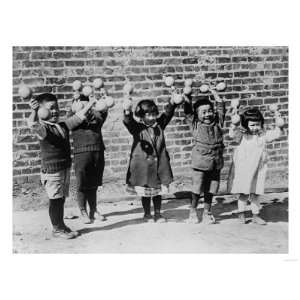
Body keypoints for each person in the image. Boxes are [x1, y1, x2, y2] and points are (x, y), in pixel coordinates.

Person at [27, 93, 96, 239]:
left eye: (56, 107)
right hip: (52, 171)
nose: (55, 111)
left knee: (61, 198)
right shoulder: (43, 129)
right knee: (55, 200)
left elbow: (77, 117)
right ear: (41, 111)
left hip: (63, 169)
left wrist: (90, 103)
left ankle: (61, 225)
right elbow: (32, 124)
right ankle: (57, 229)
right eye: (50, 108)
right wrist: (33, 111)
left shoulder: (61, 126)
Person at [123, 97, 179, 222]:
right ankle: (147, 213)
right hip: (144, 167)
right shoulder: (137, 128)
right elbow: (128, 122)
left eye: (154, 114)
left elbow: (167, 114)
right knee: (146, 192)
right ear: (141, 116)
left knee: (158, 192)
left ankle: (158, 214)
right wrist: (127, 112)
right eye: (148, 115)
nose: (152, 117)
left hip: (159, 165)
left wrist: (172, 102)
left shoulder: (159, 125)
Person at [228, 108, 284, 225]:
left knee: (255, 193)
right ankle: (241, 214)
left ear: (261, 124)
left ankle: (255, 215)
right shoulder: (243, 135)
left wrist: (278, 118)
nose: (255, 128)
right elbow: (232, 134)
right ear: (246, 125)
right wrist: (234, 123)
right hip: (244, 169)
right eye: (252, 125)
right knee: (243, 193)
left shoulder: (263, 135)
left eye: (257, 124)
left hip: (258, 170)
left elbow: (276, 134)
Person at [183, 88, 225, 224]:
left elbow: (220, 106)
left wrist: (214, 92)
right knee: (197, 188)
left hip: (216, 162)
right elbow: (188, 111)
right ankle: (193, 211)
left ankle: (207, 211)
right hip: (200, 163)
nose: (208, 114)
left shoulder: (218, 122)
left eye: (210, 111)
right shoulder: (195, 124)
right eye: (204, 112)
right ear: (197, 114)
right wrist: (187, 96)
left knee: (212, 188)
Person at [67, 95, 107, 224]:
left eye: (88, 106)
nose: (87, 108)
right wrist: (79, 102)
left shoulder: (96, 118)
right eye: (83, 105)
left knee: (94, 184)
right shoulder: (74, 118)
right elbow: (72, 114)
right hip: (82, 154)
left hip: (97, 152)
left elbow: (103, 112)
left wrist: (102, 99)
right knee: (82, 184)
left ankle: (93, 210)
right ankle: (82, 210)